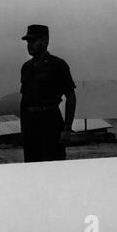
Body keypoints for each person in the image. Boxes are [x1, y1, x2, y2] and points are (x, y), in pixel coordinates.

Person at [19, 24, 76, 162]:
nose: (29, 44)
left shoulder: (58, 65)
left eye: (33, 40)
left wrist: (67, 128)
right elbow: (24, 100)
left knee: (52, 166)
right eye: (28, 41)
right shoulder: (26, 67)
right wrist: (24, 129)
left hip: (50, 122)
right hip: (31, 125)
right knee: (32, 167)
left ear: (45, 41)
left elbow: (71, 96)